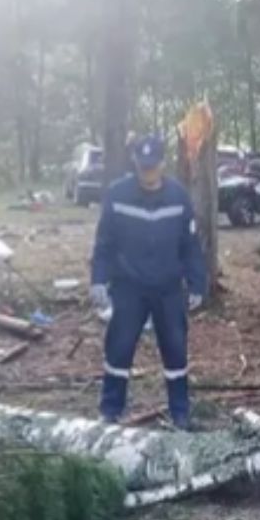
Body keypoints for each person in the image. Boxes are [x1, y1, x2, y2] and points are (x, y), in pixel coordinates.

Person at [91, 135, 208, 429]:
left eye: (153, 167)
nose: (148, 174)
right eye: (143, 167)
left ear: (163, 164)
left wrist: (197, 283)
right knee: (118, 348)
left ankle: (180, 413)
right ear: (135, 163)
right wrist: (99, 280)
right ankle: (110, 411)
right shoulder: (117, 195)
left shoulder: (179, 197)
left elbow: (190, 245)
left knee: (175, 350)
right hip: (128, 287)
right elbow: (104, 243)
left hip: (168, 289)